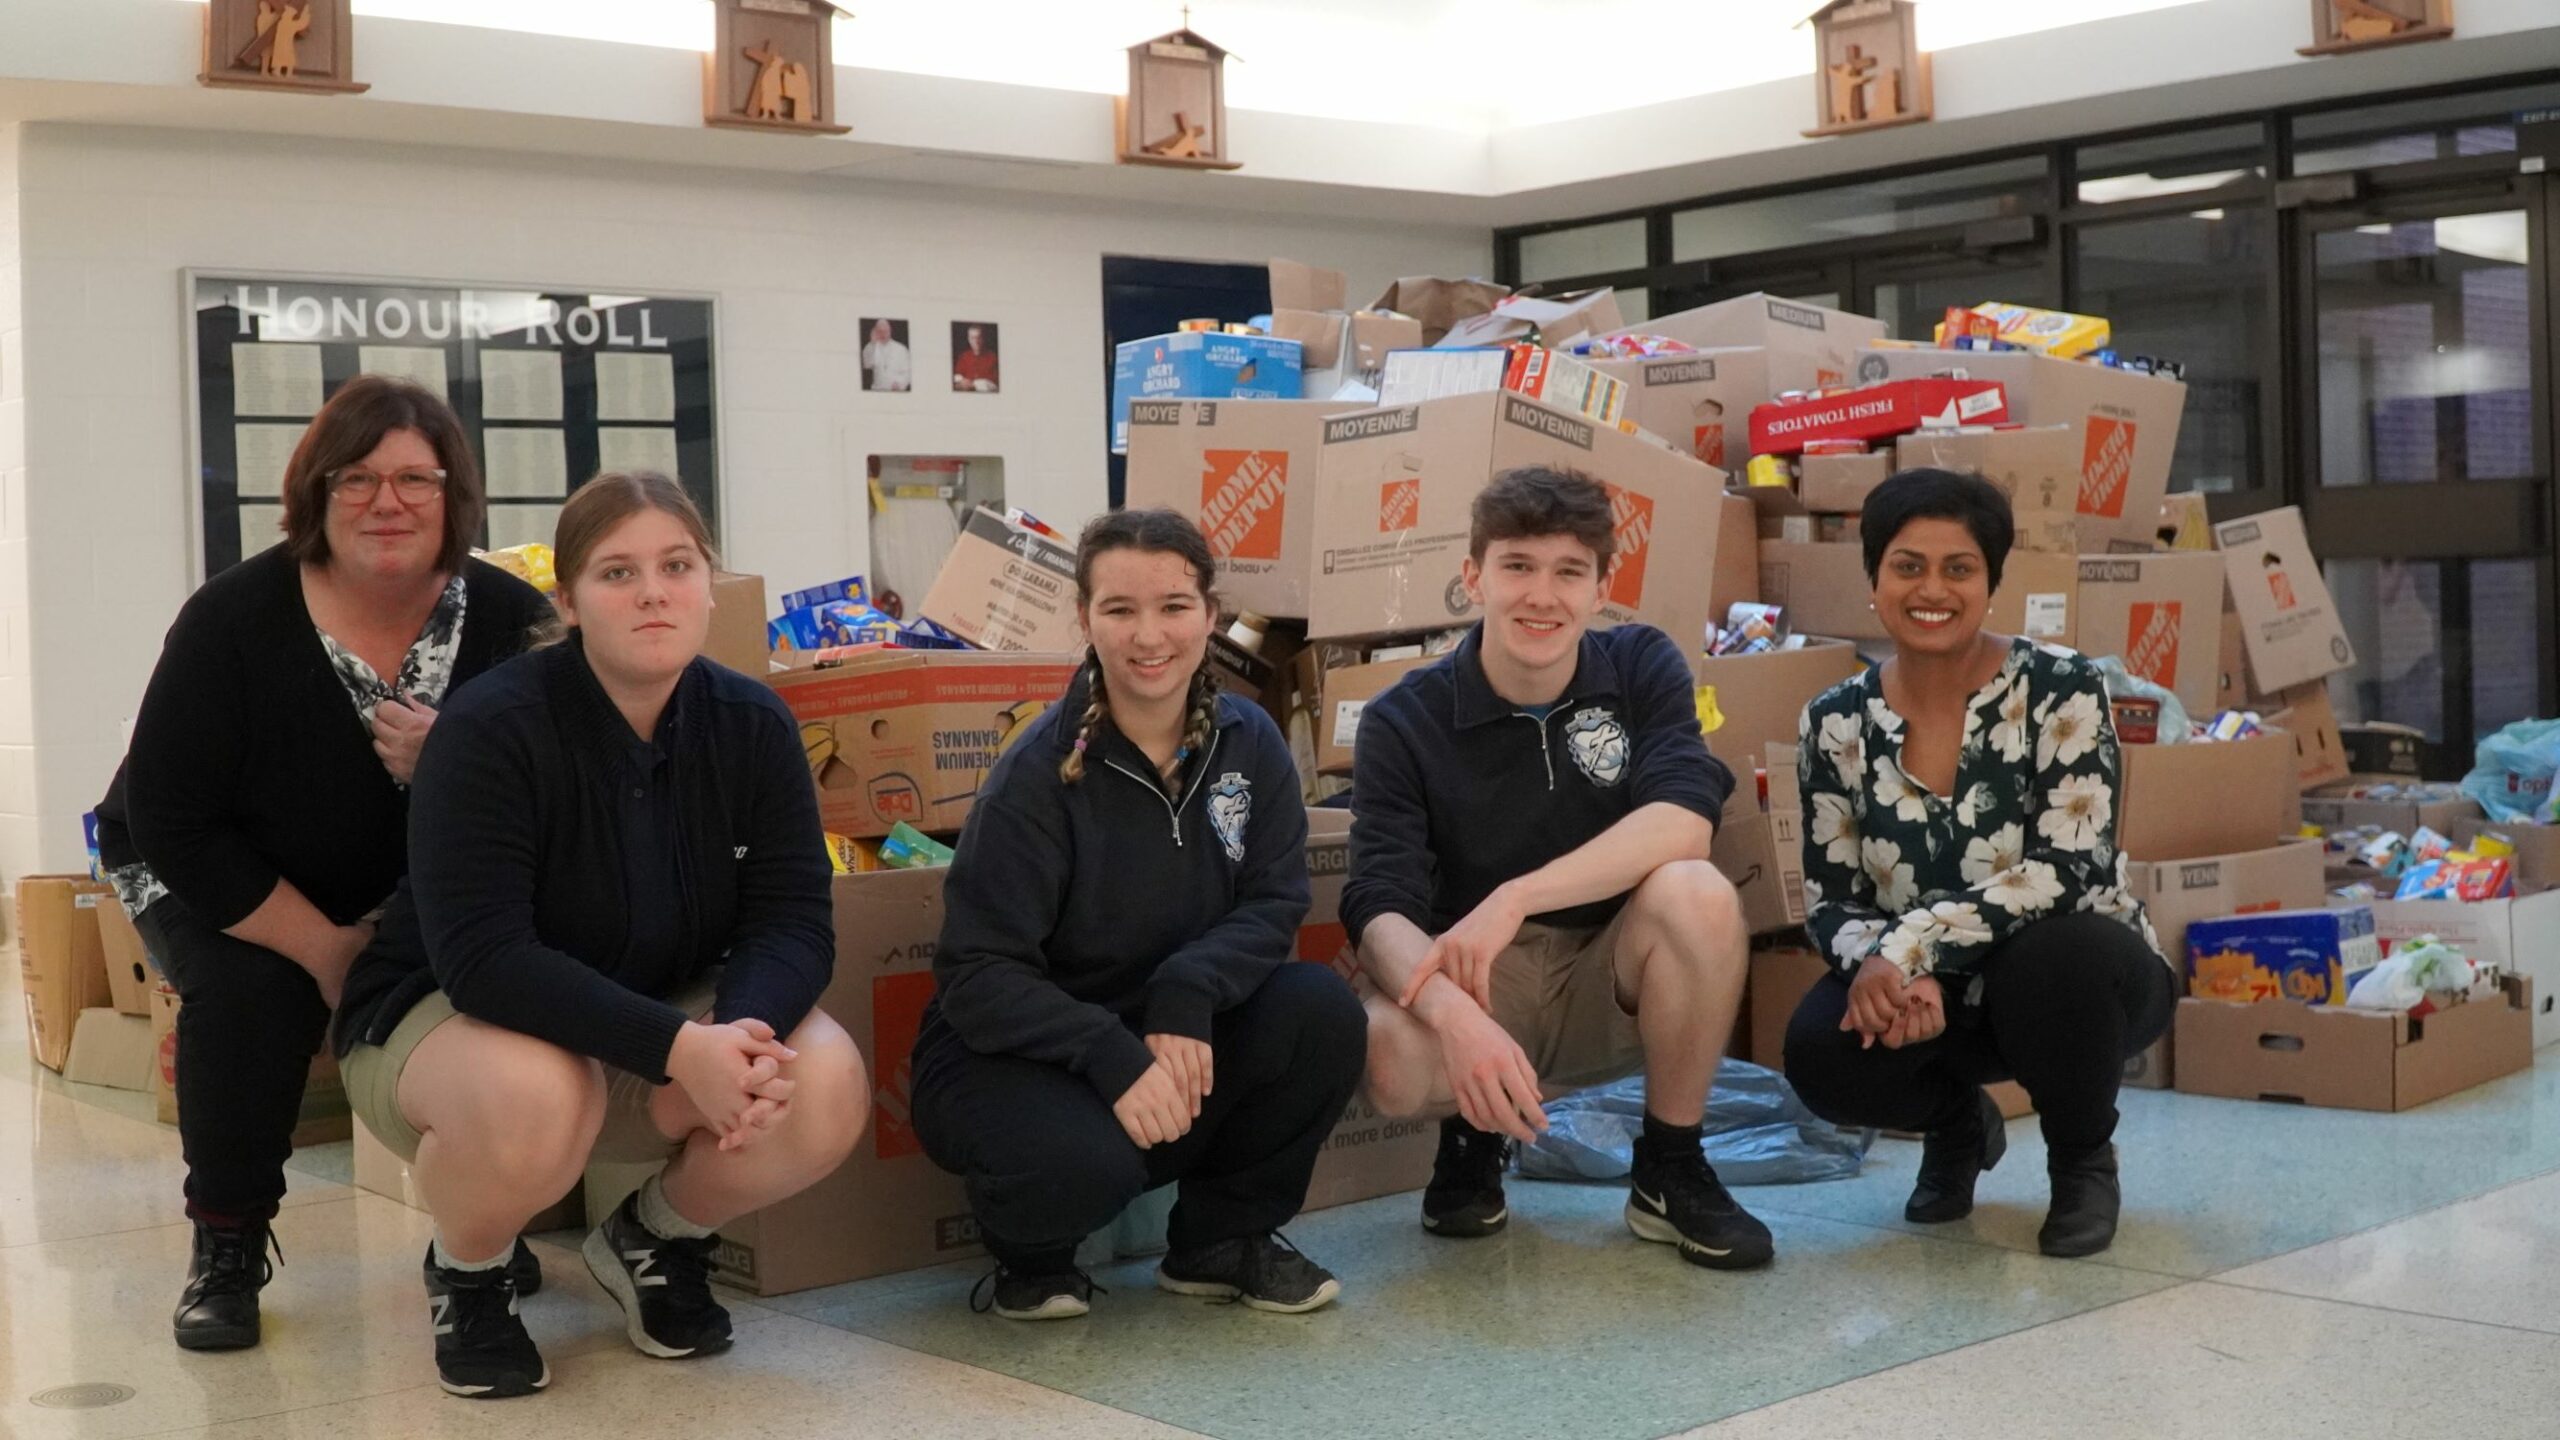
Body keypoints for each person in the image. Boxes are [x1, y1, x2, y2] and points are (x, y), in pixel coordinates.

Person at [335, 473, 869, 1399]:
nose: (653, 591)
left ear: (711, 583)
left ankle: (655, 1237)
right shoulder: (491, 728)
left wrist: (736, 1039)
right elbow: (485, 960)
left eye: (676, 565)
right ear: (569, 602)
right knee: (538, 1093)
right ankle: (471, 1272)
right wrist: (677, 1050)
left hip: (662, 1022)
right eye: (617, 572)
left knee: (820, 1079)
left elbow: (792, 919)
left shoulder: (754, 724)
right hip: (453, 1027)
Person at [95, 375, 552, 1352]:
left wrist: (457, 764)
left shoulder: (515, 620)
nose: (386, 503)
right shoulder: (231, 620)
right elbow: (173, 817)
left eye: (414, 479)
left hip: (412, 884)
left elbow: (561, 794)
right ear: (313, 495)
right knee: (251, 996)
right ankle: (226, 1241)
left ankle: (477, 1224)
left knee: (502, 996)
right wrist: (326, 951)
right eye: (354, 478)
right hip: (213, 867)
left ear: (455, 496)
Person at [912, 507, 1363, 1321]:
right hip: (1022, 1050)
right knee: (1081, 1164)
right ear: (1084, 619)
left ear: (1210, 616)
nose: (1149, 636)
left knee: (1321, 1012)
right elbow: (978, 974)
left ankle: (1222, 1241)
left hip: (1170, 1030)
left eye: (1174, 606)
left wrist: (1187, 991)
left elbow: (1275, 901)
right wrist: (1106, 1053)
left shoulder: (1250, 743)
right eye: (1119, 610)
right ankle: (1032, 1257)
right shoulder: (1038, 776)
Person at [1346, 465, 1772, 1271]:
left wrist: (1519, 895)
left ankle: (1670, 1166)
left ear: (1603, 588)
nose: (1542, 596)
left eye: (1569, 572)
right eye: (1518, 567)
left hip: (1609, 975)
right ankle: (1471, 1138)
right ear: (1473, 577)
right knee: (1384, 1049)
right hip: (1479, 980)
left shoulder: (1643, 664)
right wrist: (1454, 1016)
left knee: (1698, 892)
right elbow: (1377, 905)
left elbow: (1684, 820)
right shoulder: (1405, 718)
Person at [1782, 468, 2173, 1259]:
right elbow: (1830, 897)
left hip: (2084, 986)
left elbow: (2070, 870)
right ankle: (1956, 1125)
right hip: (1933, 998)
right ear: (1873, 579)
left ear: (1991, 582)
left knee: (2056, 956)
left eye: (1958, 568)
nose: (1933, 588)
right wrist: (1887, 971)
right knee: (1819, 1048)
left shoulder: (2065, 686)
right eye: (1908, 565)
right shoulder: (1834, 721)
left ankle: (2082, 1161)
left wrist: (1911, 945)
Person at [861, 318, 912, 392]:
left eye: (885, 331)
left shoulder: (901, 349)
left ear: (890, 331)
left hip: (896, 390)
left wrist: (900, 384)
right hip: (877, 390)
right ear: (875, 332)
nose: (883, 334)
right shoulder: (871, 347)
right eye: (880, 331)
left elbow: (908, 371)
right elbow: (867, 365)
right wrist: (873, 344)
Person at [952, 324, 999, 392]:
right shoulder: (963, 356)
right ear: (969, 339)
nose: (976, 341)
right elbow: (956, 376)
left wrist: (973, 385)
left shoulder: (993, 358)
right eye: (972, 338)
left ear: (983, 339)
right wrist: (961, 381)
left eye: (978, 337)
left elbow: (995, 385)